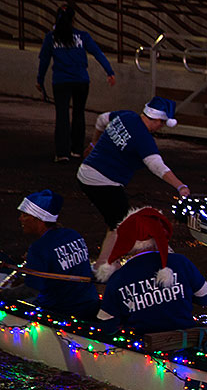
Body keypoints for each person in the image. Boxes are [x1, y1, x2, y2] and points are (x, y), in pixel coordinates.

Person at [76, 95, 191, 265]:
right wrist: (180, 186)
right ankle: (105, 268)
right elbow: (157, 166)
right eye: (161, 123)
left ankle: (104, 263)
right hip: (104, 182)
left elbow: (101, 120)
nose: (160, 127)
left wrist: (94, 142)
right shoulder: (144, 138)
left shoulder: (126, 116)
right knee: (122, 226)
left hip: (85, 173)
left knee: (116, 222)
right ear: (158, 119)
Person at [94, 207, 207, 333]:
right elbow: (205, 298)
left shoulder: (119, 278)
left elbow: (107, 325)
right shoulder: (180, 262)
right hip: (186, 340)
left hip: (144, 346)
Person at [36, 3, 116, 162]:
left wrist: (40, 80)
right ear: (73, 19)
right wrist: (109, 72)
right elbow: (97, 53)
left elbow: (44, 61)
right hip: (81, 80)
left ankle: (62, 153)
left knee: (62, 115)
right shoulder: (83, 36)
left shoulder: (50, 37)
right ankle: (77, 149)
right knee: (79, 113)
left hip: (61, 81)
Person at [12, 189, 98, 318]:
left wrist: (3, 293)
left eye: (25, 215)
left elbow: (31, 290)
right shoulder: (73, 234)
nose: (20, 219)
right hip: (90, 303)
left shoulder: (39, 248)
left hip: (61, 311)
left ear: (38, 219)